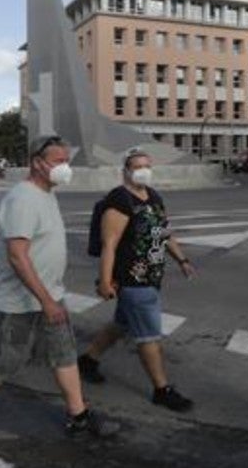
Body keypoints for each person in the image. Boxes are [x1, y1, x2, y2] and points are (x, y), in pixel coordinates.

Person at [0, 135, 117, 442]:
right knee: (2, 366)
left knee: (65, 356)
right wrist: (47, 300)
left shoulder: (47, 194)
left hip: (50, 298)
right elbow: (18, 257)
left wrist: (52, 298)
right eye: (58, 161)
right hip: (20, 305)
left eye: (66, 161)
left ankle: (79, 416)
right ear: (37, 162)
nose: (65, 167)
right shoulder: (22, 198)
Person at [76, 149, 196, 412]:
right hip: (132, 279)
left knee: (121, 324)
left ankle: (88, 360)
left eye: (147, 165)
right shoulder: (119, 200)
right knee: (148, 336)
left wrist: (182, 260)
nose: (144, 170)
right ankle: (161, 389)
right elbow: (109, 245)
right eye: (138, 166)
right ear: (126, 171)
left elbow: (164, 232)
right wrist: (105, 281)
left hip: (151, 277)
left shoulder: (153, 196)